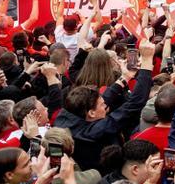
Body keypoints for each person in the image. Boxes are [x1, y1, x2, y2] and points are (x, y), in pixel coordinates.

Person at [53, 39, 156, 170]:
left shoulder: (66, 116)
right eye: (102, 105)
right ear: (91, 113)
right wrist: (147, 62)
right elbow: (135, 103)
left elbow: (104, 98)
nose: (106, 107)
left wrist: (124, 78)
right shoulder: (94, 132)